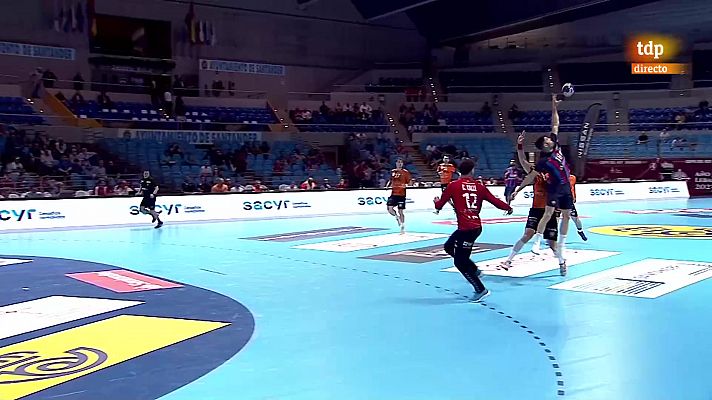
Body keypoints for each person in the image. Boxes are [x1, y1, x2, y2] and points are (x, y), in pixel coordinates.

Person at [434, 158, 513, 302]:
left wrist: (436, 202)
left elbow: (439, 205)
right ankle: (474, 270)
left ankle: (480, 289)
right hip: (474, 227)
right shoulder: (479, 187)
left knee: (459, 262)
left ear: (458, 171)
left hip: (467, 229)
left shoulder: (453, 186)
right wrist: (508, 208)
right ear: (472, 171)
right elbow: (495, 201)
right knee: (448, 246)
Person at [501, 134, 560, 272]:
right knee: (527, 234)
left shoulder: (556, 172)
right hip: (536, 209)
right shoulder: (536, 172)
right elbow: (522, 160)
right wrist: (520, 145)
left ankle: (561, 262)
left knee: (552, 244)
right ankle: (508, 260)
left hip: (550, 210)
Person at [529, 94, 573, 272]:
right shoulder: (543, 160)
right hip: (554, 189)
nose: (550, 139)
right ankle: (537, 241)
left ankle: (562, 244)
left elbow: (555, 124)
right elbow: (530, 173)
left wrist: (554, 106)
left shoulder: (556, 146)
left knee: (567, 216)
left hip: (566, 188)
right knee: (548, 215)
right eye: (547, 140)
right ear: (544, 146)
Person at [385, 158, 412, 234]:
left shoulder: (405, 172)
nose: (399, 164)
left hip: (402, 194)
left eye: (401, 162)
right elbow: (390, 180)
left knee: (401, 211)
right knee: (389, 209)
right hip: (393, 194)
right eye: (398, 162)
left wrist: (407, 184)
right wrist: (387, 186)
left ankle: (402, 227)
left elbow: (409, 182)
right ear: (396, 163)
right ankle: (396, 217)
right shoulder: (393, 171)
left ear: (402, 164)